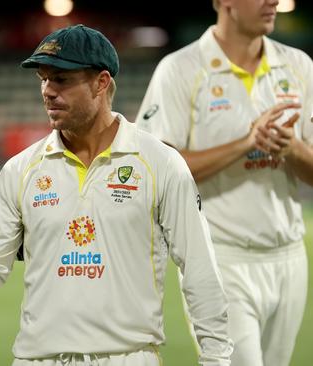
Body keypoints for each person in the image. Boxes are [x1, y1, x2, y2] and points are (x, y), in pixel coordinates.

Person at [0, 24, 233, 365]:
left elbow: (199, 268)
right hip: (37, 358)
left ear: (101, 82)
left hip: (126, 357)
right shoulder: (20, 169)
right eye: (43, 78)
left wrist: (216, 358)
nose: (48, 91)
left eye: (62, 79)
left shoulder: (160, 163)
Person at [135, 1, 313, 365]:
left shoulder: (299, 66)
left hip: (290, 256)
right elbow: (156, 172)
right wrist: (247, 143)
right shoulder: (180, 69)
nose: (273, 2)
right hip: (220, 258)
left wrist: (291, 147)